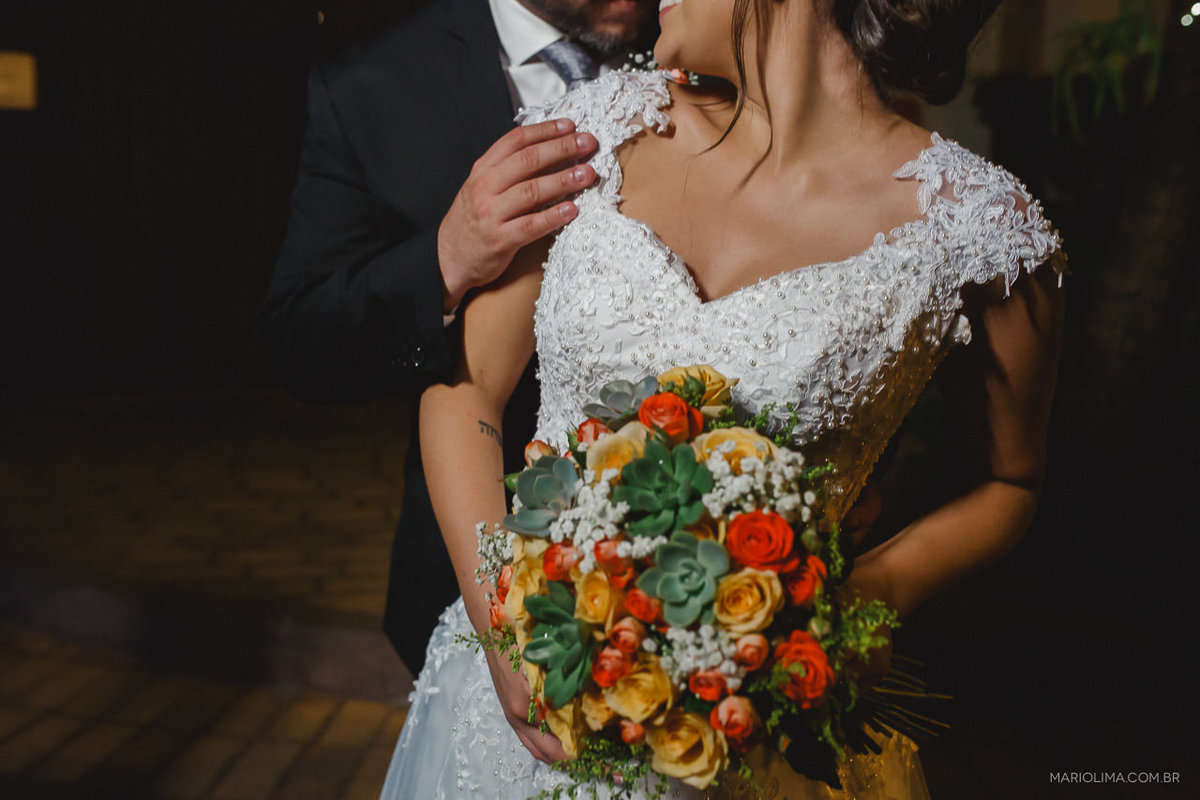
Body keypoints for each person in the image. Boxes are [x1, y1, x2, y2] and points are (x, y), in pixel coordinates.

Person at [383, 0, 1066, 795]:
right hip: (525, 706)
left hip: (763, 729)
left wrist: (863, 598)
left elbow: (1010, 482)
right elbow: (463, 388)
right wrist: (505, 635)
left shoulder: (981, 231)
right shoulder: (595, 133)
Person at [256, 0, 659, 676]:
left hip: (692, 560)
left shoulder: (702, 42)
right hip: (470, 578)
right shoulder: (370, 84)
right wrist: (444, 260)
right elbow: (299, 340)